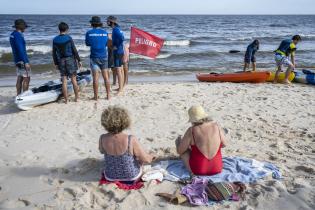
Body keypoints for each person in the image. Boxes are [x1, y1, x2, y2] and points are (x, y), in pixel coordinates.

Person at [99, 106, 154, 182]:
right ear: (125, 122)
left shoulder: (102, 138)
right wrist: (151, 156)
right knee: (140, 159)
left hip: (110, 176)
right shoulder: (130, 139)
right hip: (131, 176)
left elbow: (102, 151)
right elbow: (146, 159)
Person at [176, 105, 227, 176]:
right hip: (217, 168)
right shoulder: (216, 126)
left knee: (183, 151)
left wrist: (178, 142)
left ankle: (191, 172)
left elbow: (180, 151)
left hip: (198, 170)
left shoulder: (191, 130)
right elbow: (224, 144)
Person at [53, 22, 81, 103]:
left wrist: (56, 63)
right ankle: (76, 98)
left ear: (59, 29)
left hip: (61, 61)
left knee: (64, 81)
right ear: (67, 29)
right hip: (70, 60)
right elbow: (74, 50)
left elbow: (54, 53)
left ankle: (66, 100)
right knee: (73, 80)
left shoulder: (55, 39)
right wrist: (79, 60)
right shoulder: (69, 38)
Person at [85, 16, 110, 100]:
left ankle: (95, 97)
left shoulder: (89, 33)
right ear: (100, 24)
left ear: (92, 24)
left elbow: (87, 44)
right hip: (104, 56)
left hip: (94, 57)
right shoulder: (105, 32)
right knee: (106, 77)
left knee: (95, 78)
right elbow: (107, 44)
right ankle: (108, 96)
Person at [10, 19, 31, 95]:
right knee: (27, 78)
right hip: (22, 60)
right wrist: (26, 62)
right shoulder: (18, 36)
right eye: (24, 27)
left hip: (17, 60)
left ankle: (18, 95)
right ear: (21, 27)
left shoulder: (12, 34)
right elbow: (21, 50)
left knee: (20, 77)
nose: (25, 28)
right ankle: (25, 96)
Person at [107, 16, 125, 94]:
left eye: (108, 21)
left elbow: (121, 38)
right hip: (120, 51)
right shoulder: (118, 28)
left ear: (112, 22)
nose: (107, 22)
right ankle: (121, 87)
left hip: (118, 51)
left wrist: (115, 46)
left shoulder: (115, 30)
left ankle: (120, 89)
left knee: (118, 69)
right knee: (120, 69)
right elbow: (122, 37)